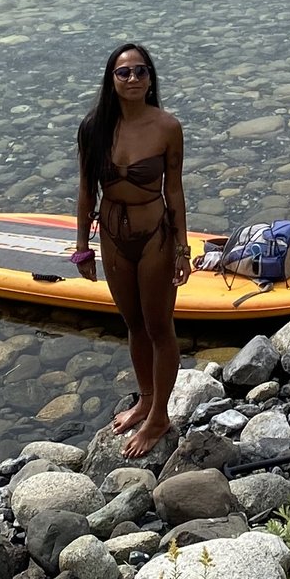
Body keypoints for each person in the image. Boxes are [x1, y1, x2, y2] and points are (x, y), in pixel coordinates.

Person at [70, 41, 189, 456]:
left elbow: (174, 189)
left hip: (155, 235)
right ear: (112, 80)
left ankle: (160, 415)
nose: (134, 78)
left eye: (141, 71)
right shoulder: (94, 128)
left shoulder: (167, 127)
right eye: (125, 73)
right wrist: (82, 246)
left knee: (160, 326)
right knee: (133, 324)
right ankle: (145, 398)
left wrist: (182, 248)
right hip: (113, 239)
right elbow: (86, 190)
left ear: (151, 78)